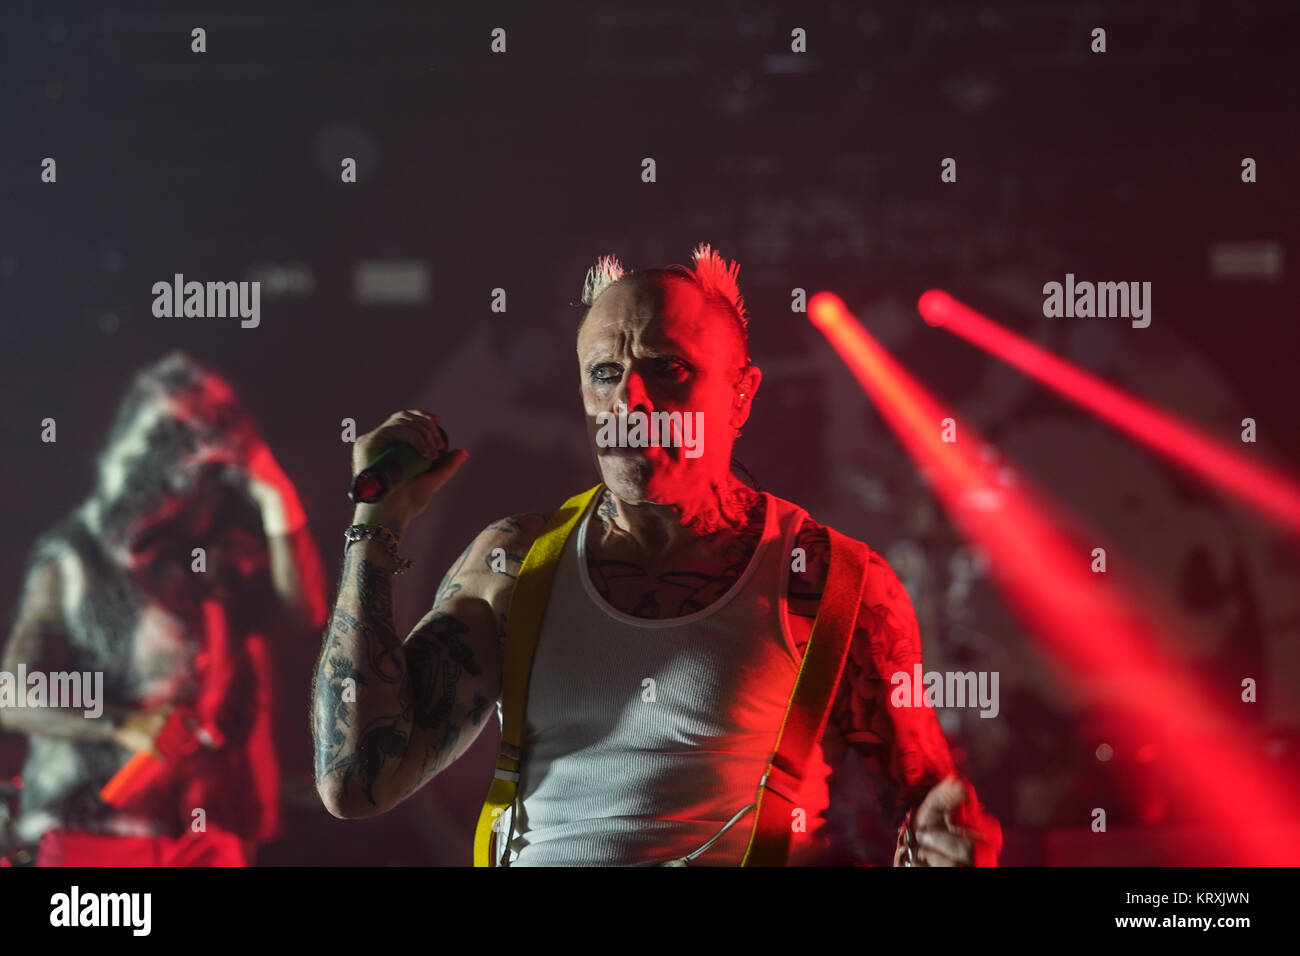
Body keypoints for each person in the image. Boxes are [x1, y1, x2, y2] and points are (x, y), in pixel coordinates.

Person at [312, 243, 1002, 866]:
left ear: (740, 397)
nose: (629, 397)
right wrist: (374, 526)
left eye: (666, 368)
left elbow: (926, 806)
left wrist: (948, 842)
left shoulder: (831, 580)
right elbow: (358, 781)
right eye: (604, 372)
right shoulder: (516, 563)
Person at [1, 351, 327, 866]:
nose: (197, 490)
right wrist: (123, 724)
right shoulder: (75, 556)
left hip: (210, 828)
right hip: (100, 828)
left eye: (211, 475)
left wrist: (273, 492)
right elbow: (12, 690)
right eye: (184, 470)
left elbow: (304, 613)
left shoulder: (224, 554)